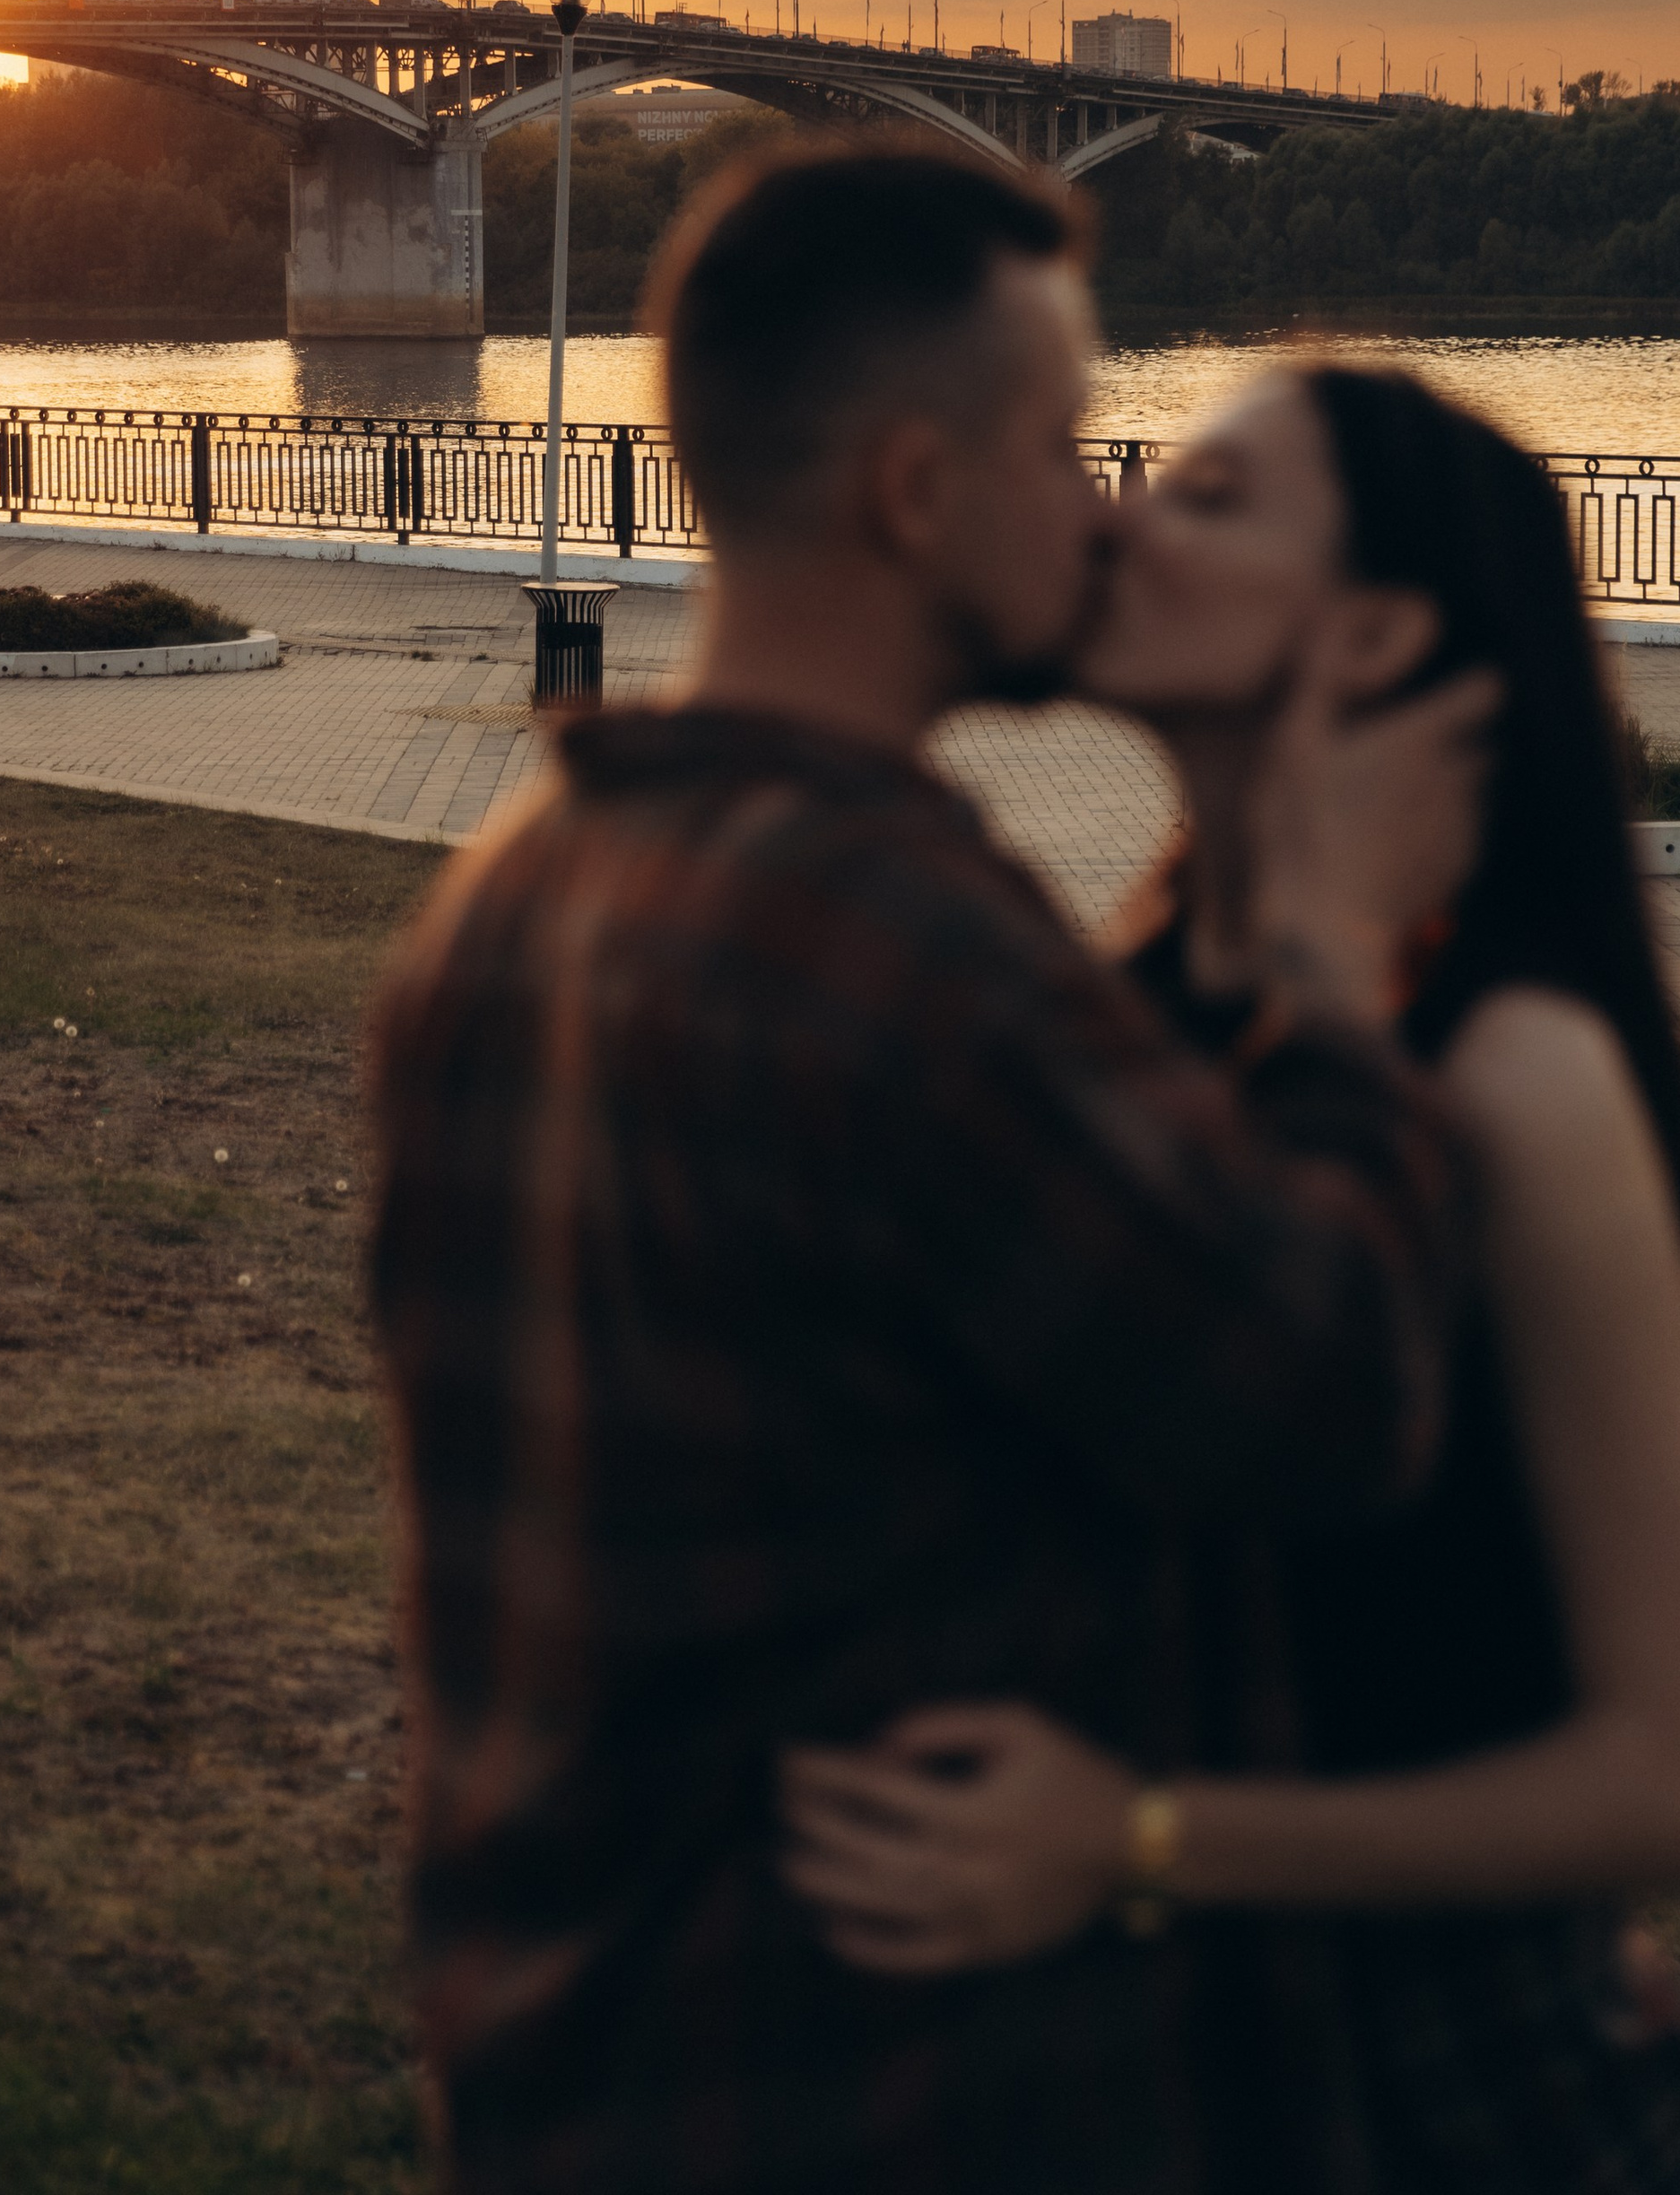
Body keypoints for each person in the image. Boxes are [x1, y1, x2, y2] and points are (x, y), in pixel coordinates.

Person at [371, 152, 1499, 2195]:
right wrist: (1333, 970)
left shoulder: (504, 901)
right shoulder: (887, 943)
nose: (1098, 513)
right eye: (1061, 450)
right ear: (910, 491)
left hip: (562, 2068)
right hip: (871, 2096)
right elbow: (1321, 1389)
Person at [782, 364, 1680, 2194]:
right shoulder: (1122, 1001)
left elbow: (1672, 1775)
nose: (1119, 517)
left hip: (1444, 2099)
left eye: (1210, 500)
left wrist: (1135, 1843)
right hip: (1144, 2081)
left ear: (1373, 628)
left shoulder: (1507, 1070)